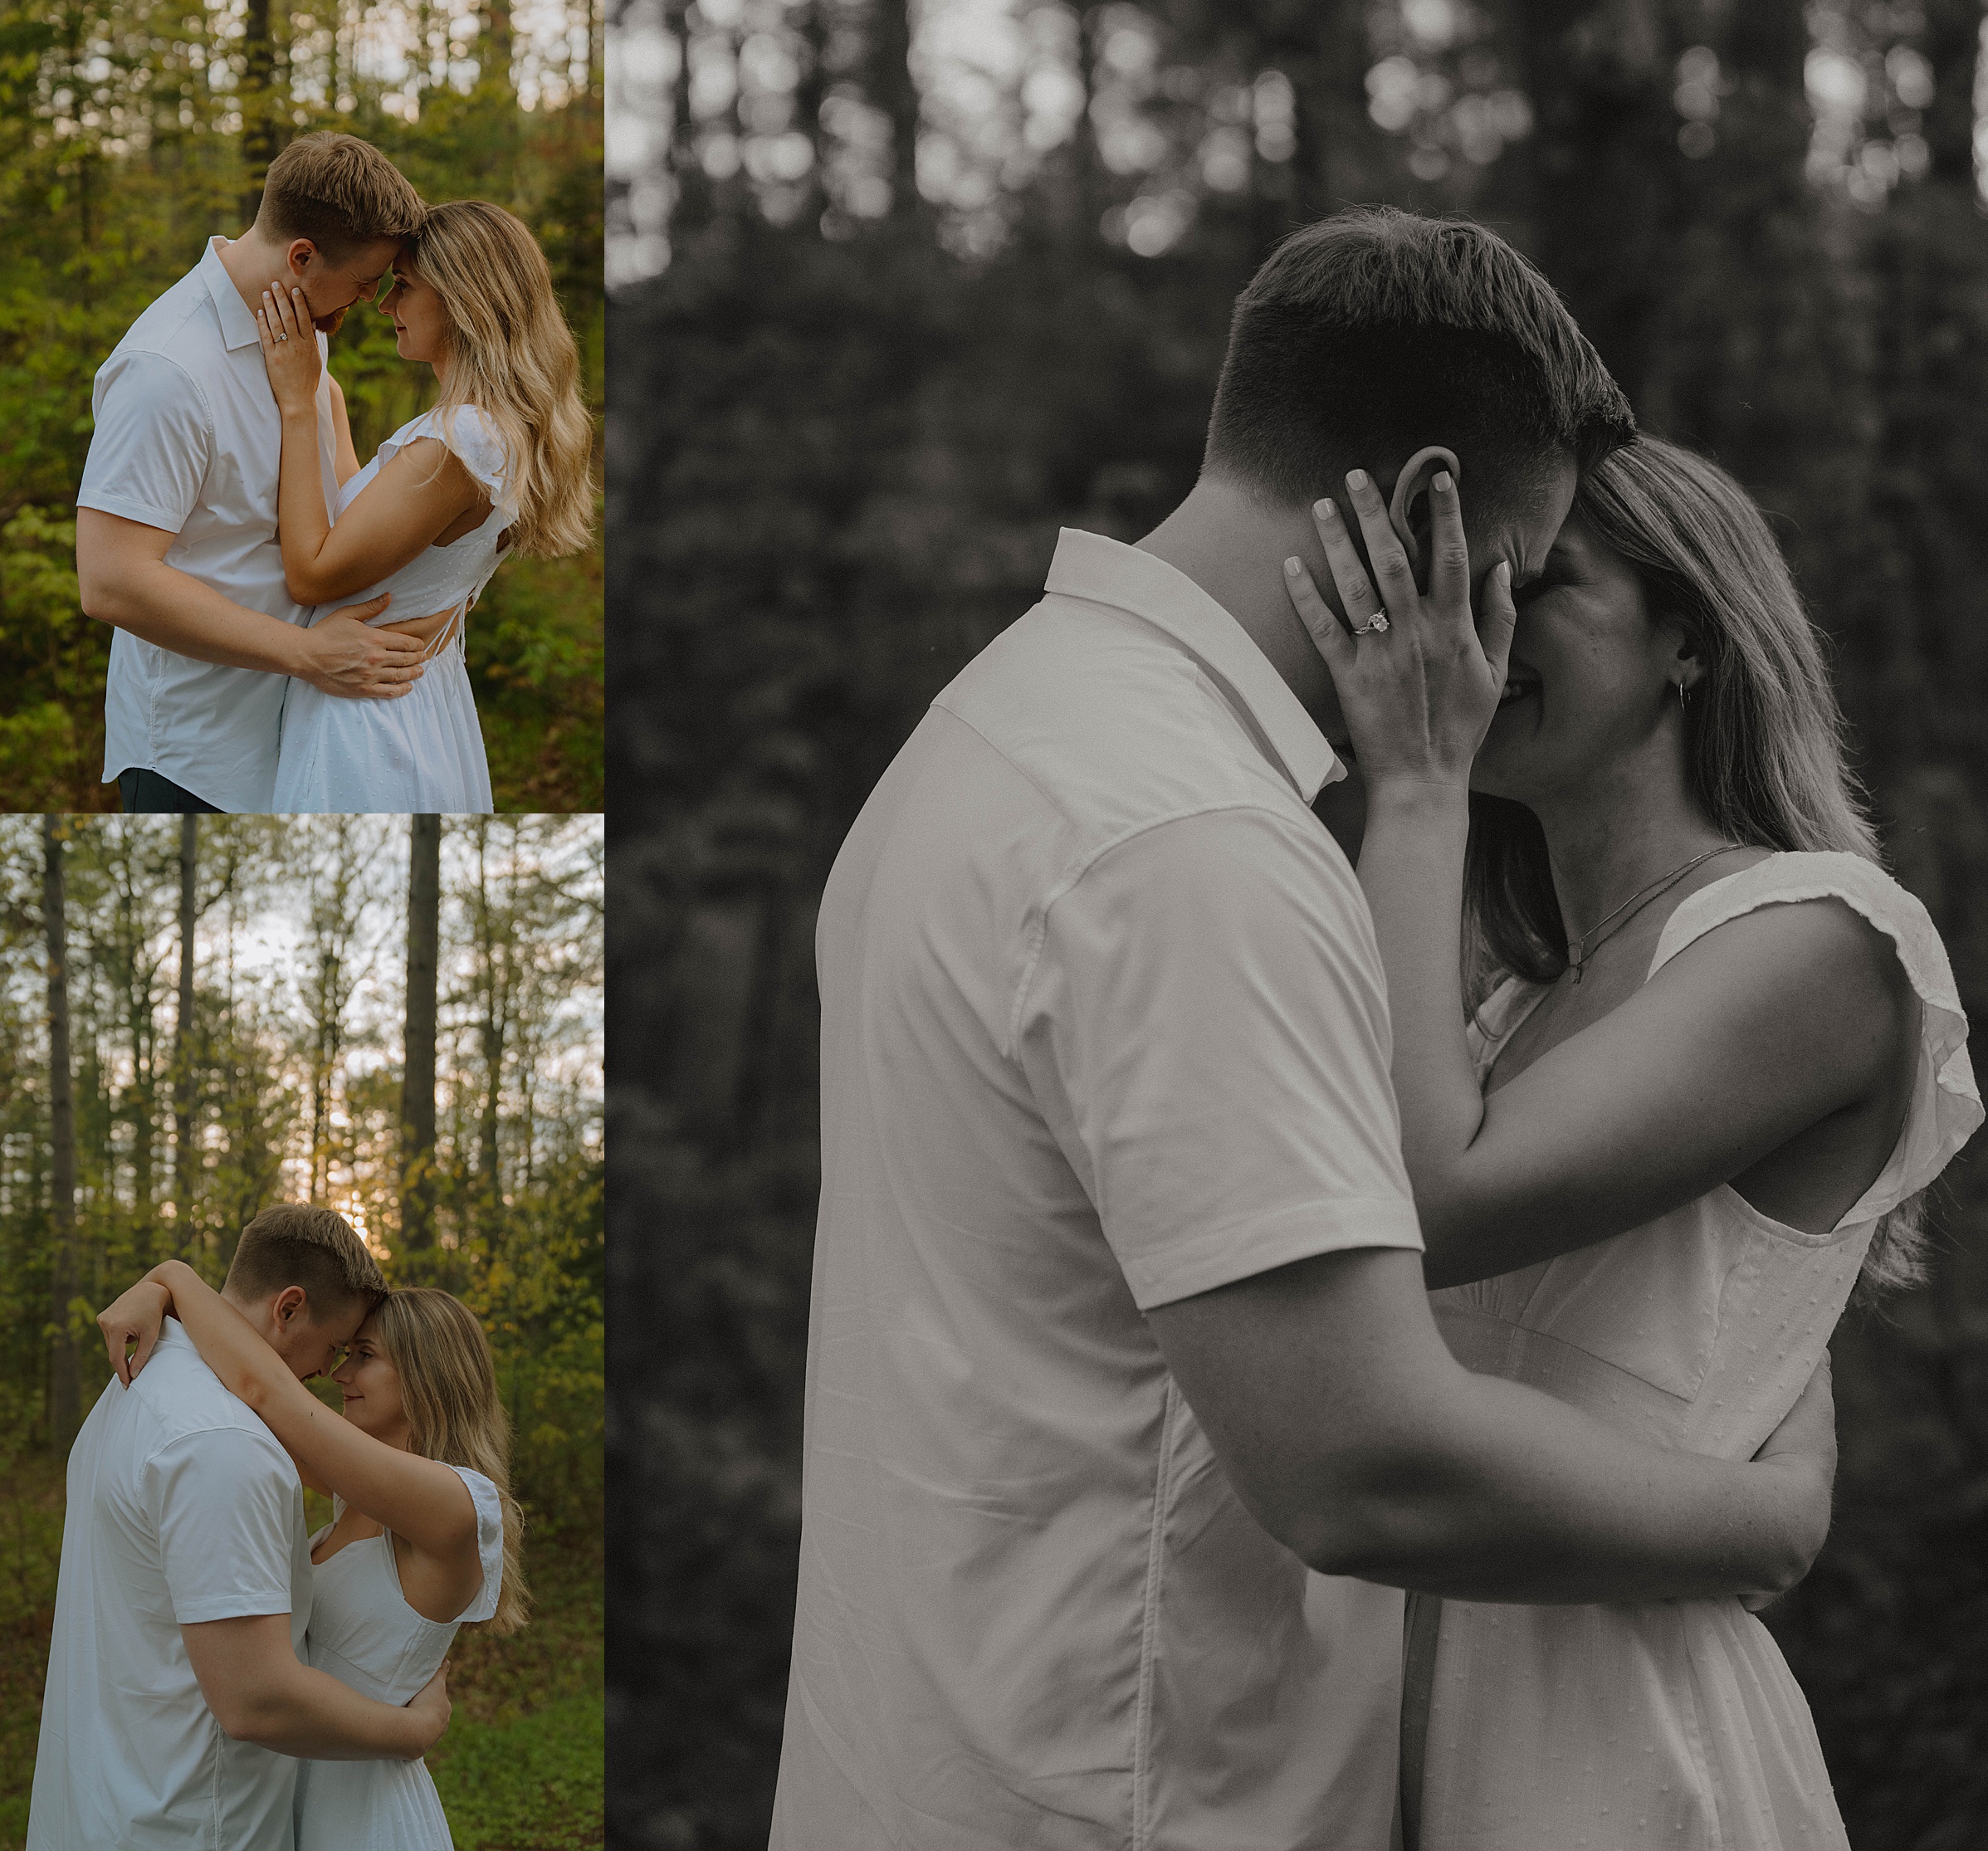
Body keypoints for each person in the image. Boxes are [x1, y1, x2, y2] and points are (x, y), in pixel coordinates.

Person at [768, 208, 1840, 1851]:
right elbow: (1360, 1466)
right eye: (1517, 561)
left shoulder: (993, 725)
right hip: (1123, 1795)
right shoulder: (1189, 840)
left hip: (933, 1756)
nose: (1492, 630)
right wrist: (1759, 1516)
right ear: (1425, 506)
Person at [1283, 432, 1981, 1846]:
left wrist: (1414, 784)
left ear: (1688, 638)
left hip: (1611, 1738)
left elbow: (1413, 1196)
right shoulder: (1509, 1010)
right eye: (1463, 592)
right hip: (1384, 1710)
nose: (1476, 634)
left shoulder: (1817, 939)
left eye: (1538, 587)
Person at [26, 1204, 443, 1850]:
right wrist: (413, 1731)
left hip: (104, 1802)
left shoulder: (133, 1387)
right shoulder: (225, 1443)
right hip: (195, 1823)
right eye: (334, 1347)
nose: (329, 1375)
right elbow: (257, 1700)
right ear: (289, 1309)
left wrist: (166, 1278)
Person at [94, 1267, 530, 1851]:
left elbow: (263, 1389)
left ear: (429, 1376)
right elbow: (242, 1390)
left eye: (365, 1356)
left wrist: (172, 1277)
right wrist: (152, 1293)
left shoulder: (460, 1507)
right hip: (289, 1803)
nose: (339, 1373)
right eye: (345, 1353)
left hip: (366, 1819)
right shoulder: (353, 1494)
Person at [75, 133, 432, 813]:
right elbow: (111, 581)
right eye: (362, 284)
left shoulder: (302, 328)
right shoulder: (167, 370)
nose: (367, 304)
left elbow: (331, 503)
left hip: (298, 739)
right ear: (302, 256)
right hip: (197, 756)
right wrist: (308, 653)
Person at [253, 199, 595, 812]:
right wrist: (318, 387)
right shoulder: (497, 432)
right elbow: (375, 521)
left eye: (404, 287)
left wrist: (297, 408)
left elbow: (311, 573)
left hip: (367, 720)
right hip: (416, 701)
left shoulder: (458, 441)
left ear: (464, 301)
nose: (385, 305)